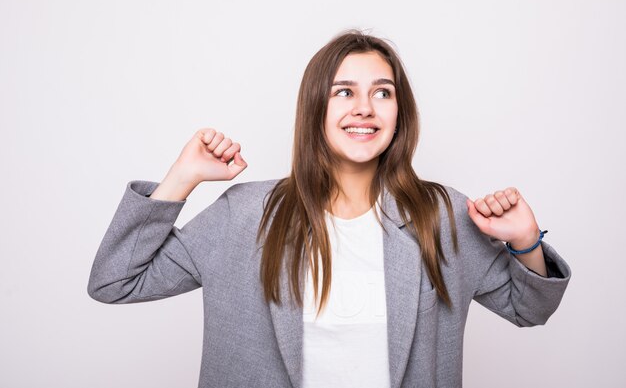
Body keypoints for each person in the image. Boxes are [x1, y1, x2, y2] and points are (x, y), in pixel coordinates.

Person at [87, 30, 571, 388]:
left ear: (399, 113)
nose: (365, 107)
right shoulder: (245, 215)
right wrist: (182, 178)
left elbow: (528, 311)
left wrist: (526, 240)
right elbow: (115, 281)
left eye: (382, 92)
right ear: (316, 106)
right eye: (344, 91)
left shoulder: (441, 215)